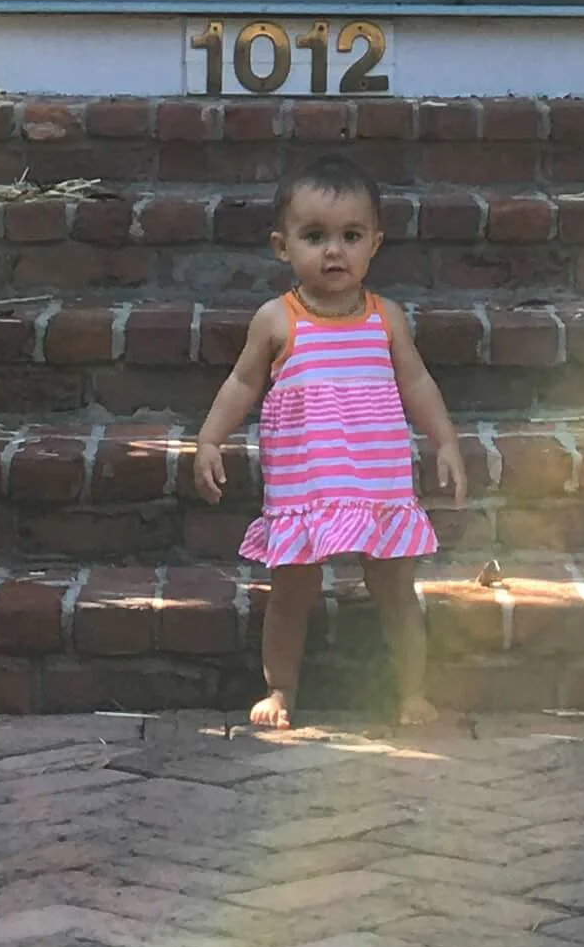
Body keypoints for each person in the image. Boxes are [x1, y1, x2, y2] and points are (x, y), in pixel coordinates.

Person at [192, 154, 467, 728]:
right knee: (293, 588)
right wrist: (210, 440)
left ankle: (413, 691)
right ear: (282, 247)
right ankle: (281, 690)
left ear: (374, 244)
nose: (334, 251)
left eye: (350, 236)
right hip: (307, 482)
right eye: (314, 236)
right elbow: (242, 382)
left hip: (378, 480)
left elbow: (416, 381)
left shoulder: (384, 318)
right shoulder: (277, 319)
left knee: (394, 588)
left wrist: (444, 441)